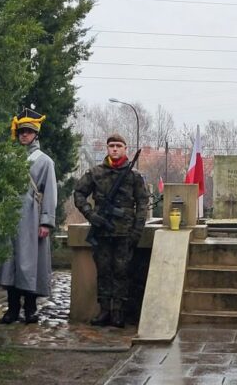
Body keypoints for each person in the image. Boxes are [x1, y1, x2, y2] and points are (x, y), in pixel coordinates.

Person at [74, 133, 148, 328]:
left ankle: (118, 312)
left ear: (125, 149)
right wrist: (90, 215)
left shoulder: (133, 176)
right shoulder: (96, 173)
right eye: (111, 146)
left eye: (118, 146)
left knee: (122, 272)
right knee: (104, 271)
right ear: (107, 149)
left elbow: (142, 204)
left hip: (124, 233)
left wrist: (137, 231)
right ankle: (104, 309)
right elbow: (79, 193)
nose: (114, 149)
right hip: (102, 232)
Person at [0, 107, 58, 324]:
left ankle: (30, 308)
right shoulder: (7, 157)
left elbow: (49, 193)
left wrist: (46, 222)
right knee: (10, 264)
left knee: (30, 264)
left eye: (28, 132)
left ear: (36, 134)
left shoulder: (44, 161)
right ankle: (12, 308)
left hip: (32, 218)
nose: (24, 135)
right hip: (10, 217)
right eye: (21, 131)